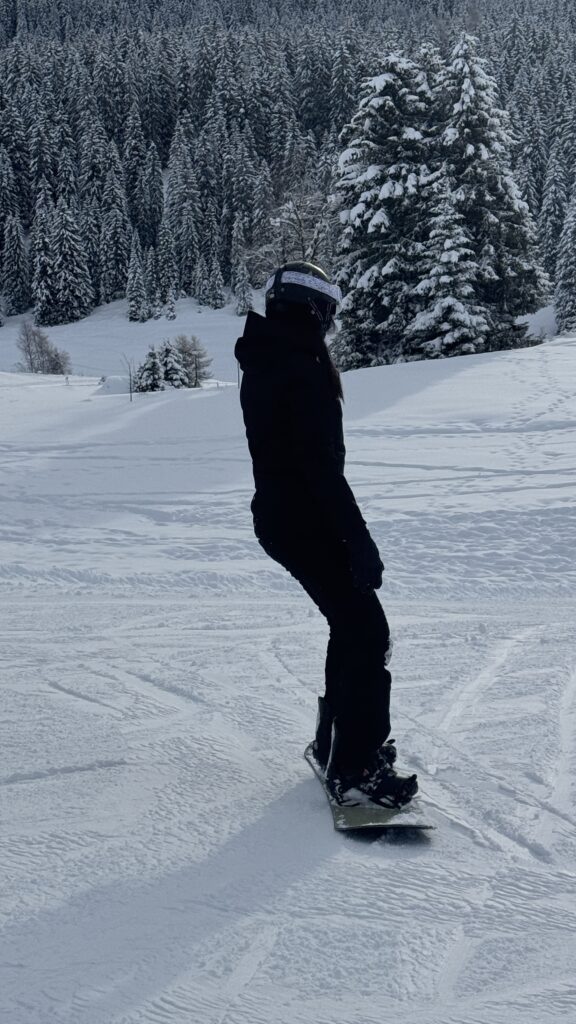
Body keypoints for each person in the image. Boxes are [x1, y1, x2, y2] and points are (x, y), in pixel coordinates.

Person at [235, 261, 417, 808]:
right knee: (367, 630)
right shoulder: (299, 366)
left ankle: (338, 745)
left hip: (286, 518)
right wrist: (359, 543)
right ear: (313, 310)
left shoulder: (269, 356)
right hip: (304, 519)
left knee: (352, 624)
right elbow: (320, 471)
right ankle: (356, 769)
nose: (331, 327)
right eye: (329, 315)